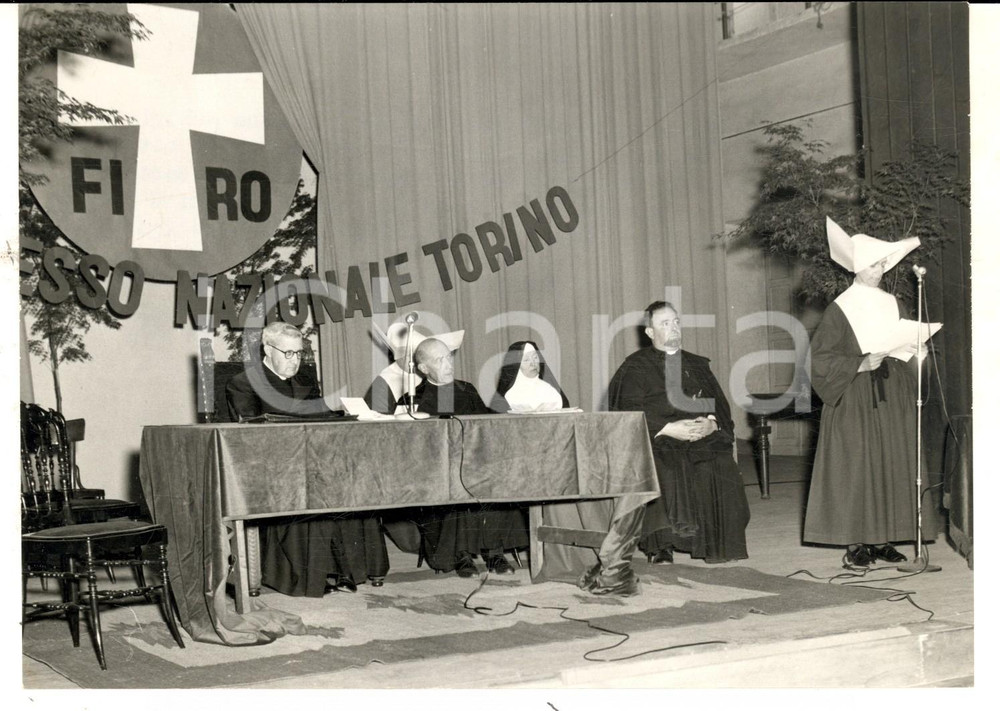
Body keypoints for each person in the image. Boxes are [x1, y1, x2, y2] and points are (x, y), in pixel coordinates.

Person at [804, 218, 941, 566]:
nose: (879, 270)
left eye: (882, 263)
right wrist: (859, 363)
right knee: (858, 465)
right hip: (855, 395)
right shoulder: (841, 308)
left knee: (891, 462)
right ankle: (856, 544)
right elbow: (820, 359)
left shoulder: (892, 302)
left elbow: (903, 339)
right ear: (856, 267)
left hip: (892, 392)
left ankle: (883, 539)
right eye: (873, 264)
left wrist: (916, 349)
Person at [226, 322, 389, 596]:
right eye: (288, 353)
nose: (295, 361)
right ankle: (316, 574)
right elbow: (249, 436)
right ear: (268, 349)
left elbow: (321, 420)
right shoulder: (243, 383)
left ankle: (353, 569)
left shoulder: (305, 382)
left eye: (299, 354)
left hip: (312, 461)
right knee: (315, 488)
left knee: (356, 480)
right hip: (273, 469)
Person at [608, 300, 750, 564]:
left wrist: (712, 424)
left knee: (719, 463)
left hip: (698, 437)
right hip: (658, 439)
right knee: (667, 464)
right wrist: (667, 428)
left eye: (676, 321)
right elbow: (626, 411)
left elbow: (719, 406)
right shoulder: (634, 367)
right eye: (665, 323)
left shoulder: (697, 364)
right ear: (650, 332)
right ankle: (662, 546)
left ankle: (718, 544)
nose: (673, 328)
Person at [410, 338, 529, 577]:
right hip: (440, 470)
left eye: (449, 357)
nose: (448, 364)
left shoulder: (467, 389)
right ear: (423, 368)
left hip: (475, 463)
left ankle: (494, 552)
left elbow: (485, 428)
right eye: (439, 359)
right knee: (457, 486)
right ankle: (460, 554)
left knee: (495, 480)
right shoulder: (414, 398)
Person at [491, 341, 570, 413]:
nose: (533, 363)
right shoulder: (507, 396)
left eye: (535, 357)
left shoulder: (550, 390)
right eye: (526, 360)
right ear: (516, 366)